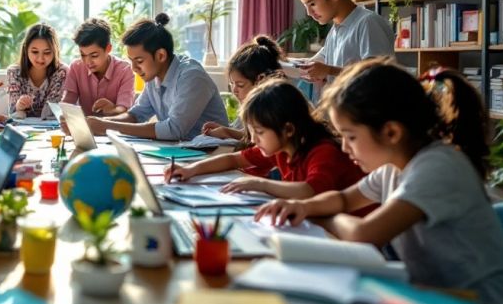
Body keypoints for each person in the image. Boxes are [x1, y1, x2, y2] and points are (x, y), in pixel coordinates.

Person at [255, 60, 503, 304]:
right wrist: (301, 206)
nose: (343, 147)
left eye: (350, 136)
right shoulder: (392, 168)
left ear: (391, 132)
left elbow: (364, 234)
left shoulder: (437, 168)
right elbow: (342, 200)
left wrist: (318, 216)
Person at [165, 78, 366, 202]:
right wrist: (190, 170)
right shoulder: (283, 147)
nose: (253, 139)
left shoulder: (322, 151)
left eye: (259, 132)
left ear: (288, 129)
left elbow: (309, 191)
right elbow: (234, 160)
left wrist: (260, 184)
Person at [83, 13, 227, 141]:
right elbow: (136, 115)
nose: (134, 68)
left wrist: (106, 126)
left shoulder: (192, 77)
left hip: (211, 153)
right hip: (182, 152)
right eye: (131, 61)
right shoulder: (154, 77)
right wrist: (97, 122)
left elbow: (174, 130)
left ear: (160, 55)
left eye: (139, 61)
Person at [290, 0, 394, 86]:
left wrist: (329, 70)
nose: (309, 13)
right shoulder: (335, 31)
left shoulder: (368, 23)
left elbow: (378, 75)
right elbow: (315, 63)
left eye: (312, 4)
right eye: (306, 6)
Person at [201, 35, 284, 141]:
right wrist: (225, 130)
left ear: (261, 80)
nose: (234, 90)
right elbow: (248, 133)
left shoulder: (272, 109)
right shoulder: (250, 106)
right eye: (232, 84)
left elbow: (258, 141)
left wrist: (227, 132)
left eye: (240, 85)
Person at [61, 18, 135, 116]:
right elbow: (68, 101)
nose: (87, 61)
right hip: (84, 129)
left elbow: (124, 110)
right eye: (82, 55)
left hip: (113, 129)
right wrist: (65, 115)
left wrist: (112, 109)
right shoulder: (76, 67)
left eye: (94, 55)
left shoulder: (124, 70)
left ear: (108, 48)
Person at [6, 23, 67, 119]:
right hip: (22, 129)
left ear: (55, 51)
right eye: (35, 52)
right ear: (26, 50)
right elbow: (12, 113)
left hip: (52, 129)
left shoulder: (61, 72)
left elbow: (52, 113)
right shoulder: (14, 72)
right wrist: (19, 106)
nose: (40, 58)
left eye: (47, 52)